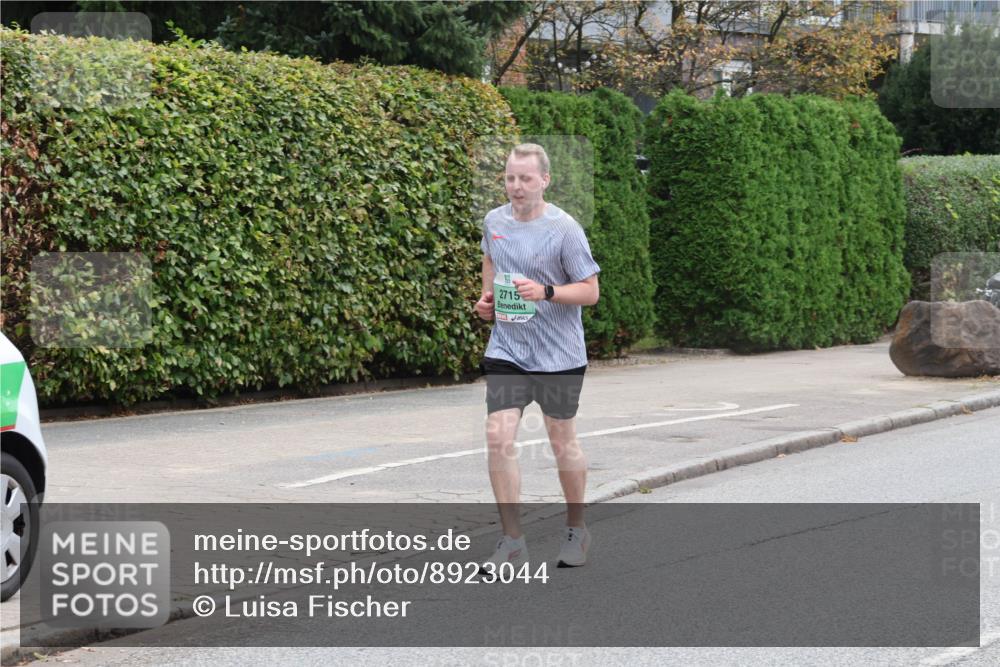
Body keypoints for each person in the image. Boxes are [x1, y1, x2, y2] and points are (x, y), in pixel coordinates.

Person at [474, 143, 600, 569]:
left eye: (525, 178)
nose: (516, 187)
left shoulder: (565, 229)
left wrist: (546, 291)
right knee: (497, 435)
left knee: (561, 439)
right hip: (509, 347)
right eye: (510, 178)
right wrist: (486, 298)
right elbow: (491, 261)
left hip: (559, 353)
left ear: (544, 180)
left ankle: (576, 529)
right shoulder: (494, 220)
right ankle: (512, 541)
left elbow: (590, 291)